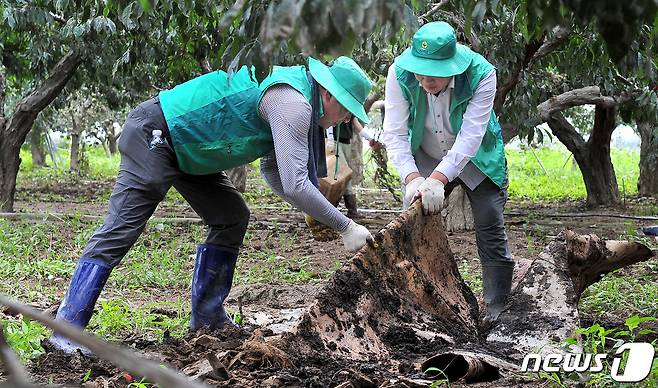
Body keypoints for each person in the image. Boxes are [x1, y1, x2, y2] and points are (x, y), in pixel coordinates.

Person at [49, 56, 374, 353]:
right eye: (346, 110)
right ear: (329, 95)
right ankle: (66, 332)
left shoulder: (297, 99)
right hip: (157, 133)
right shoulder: (294, 103)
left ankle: (207, 318)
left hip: (191, 152)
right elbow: (295, 182)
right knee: (121, 230)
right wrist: (345, 225)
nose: (343, 119)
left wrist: (315, 207)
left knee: (231, 216)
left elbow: (276, 173)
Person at [381, 21, 514, 323]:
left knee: (489, 221)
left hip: (475, 156)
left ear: (452, 65)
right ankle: (418, 306)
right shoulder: (398, 73)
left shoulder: (482, 74)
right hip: (424, 152)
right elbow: (395, 132)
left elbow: (471, 135)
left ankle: (497, 310)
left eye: (435, 73)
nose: (426, 80)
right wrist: (413, 178)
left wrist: (440, 179)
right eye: (420, 71)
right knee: (413, 224)